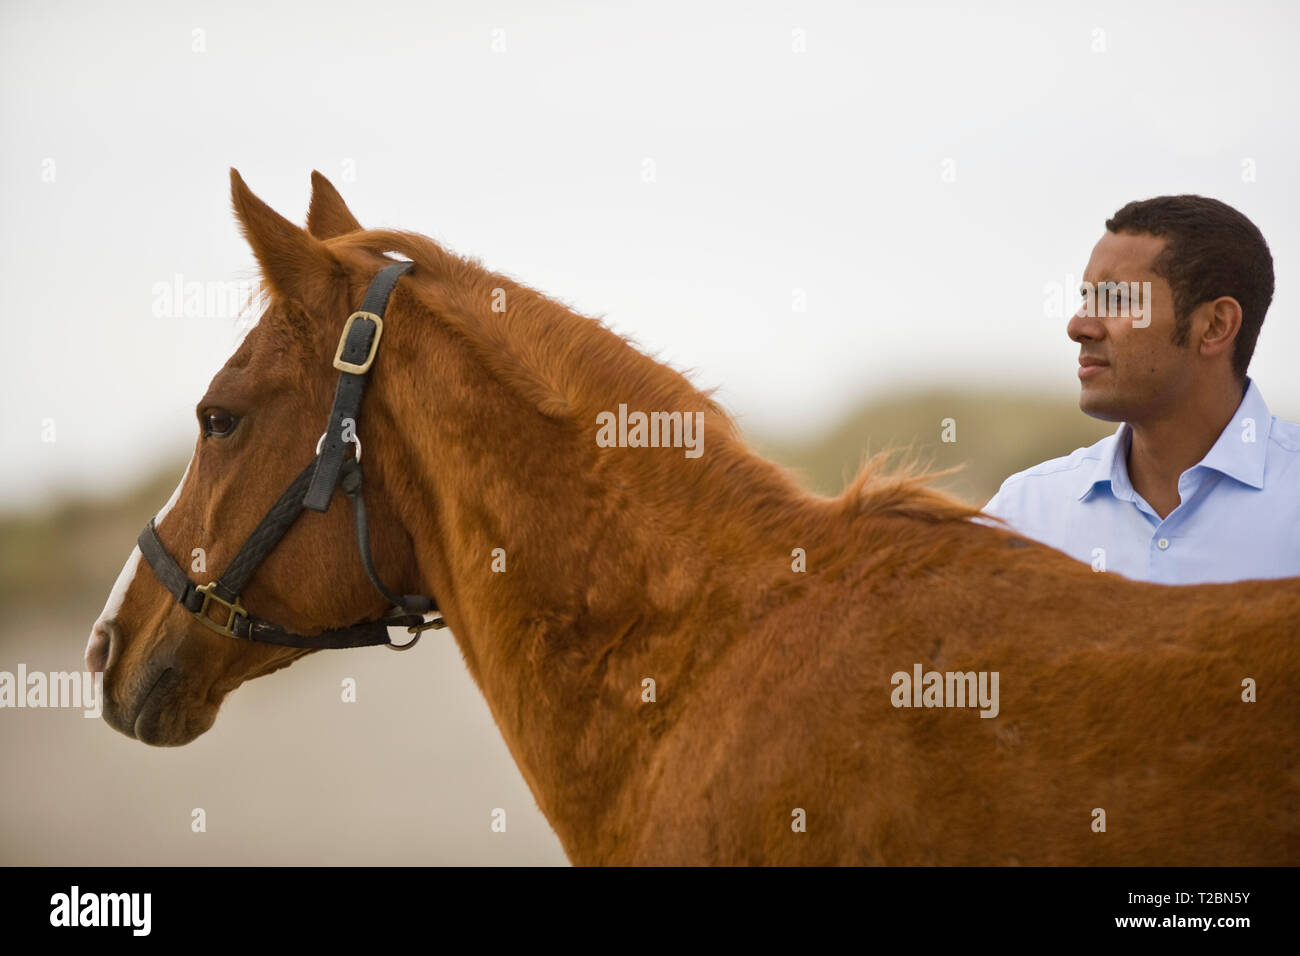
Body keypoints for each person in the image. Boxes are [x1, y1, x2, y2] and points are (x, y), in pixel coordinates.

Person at [983, 195, 1300, 584]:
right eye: (1086, 297)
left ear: (1216, 325)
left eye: (1116, 299)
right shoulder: (1022, 514)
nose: (1078, 326)